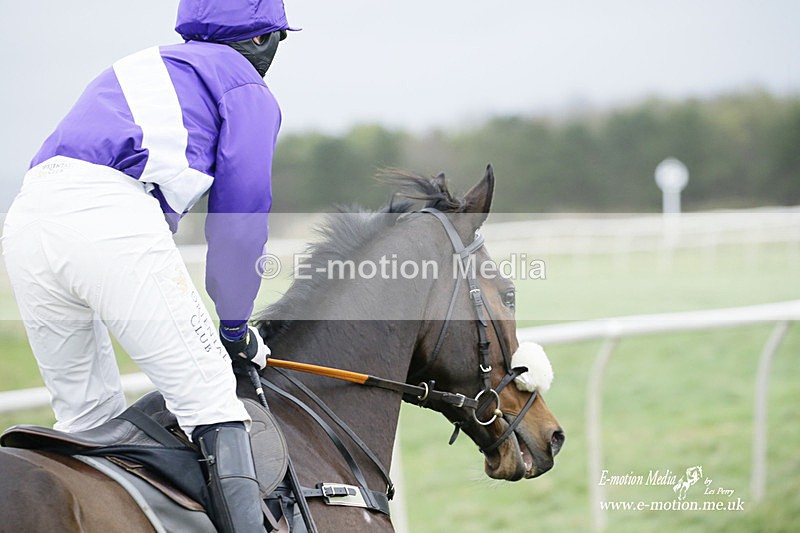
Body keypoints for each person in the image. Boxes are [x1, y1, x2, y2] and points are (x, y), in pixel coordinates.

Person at [1, 0, 297, 531]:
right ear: (260, 40)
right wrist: (233, 328)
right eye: (280, 40)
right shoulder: (245, 86)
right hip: (107, 214)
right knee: (212, 400)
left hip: (27, 217)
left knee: (88, 421)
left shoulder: (141, 62)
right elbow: (239, 217)